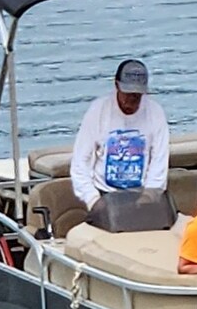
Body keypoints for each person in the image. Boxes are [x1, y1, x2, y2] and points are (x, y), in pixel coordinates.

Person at [70, 58, 170, 208]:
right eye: (128, 93)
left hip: (141, 195)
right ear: (117, 85)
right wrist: (93, 199)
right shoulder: (98, 110)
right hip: (104, 194)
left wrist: (149, 196)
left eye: (137, 95)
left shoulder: (155, 113)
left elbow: (159, 161)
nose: (132, 99)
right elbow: (80, 163)